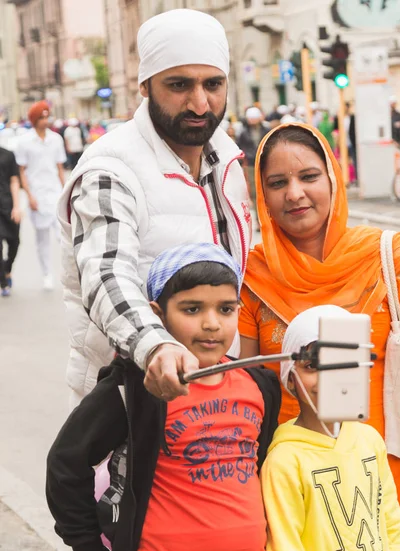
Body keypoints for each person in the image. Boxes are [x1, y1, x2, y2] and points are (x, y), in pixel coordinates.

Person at [238, 123, 400, 551]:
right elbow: (249, 393)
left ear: (334, 179)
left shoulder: (391, 259)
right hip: (297, 491)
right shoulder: (252, 278)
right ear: (261, 194)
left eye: (309, 176)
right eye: (277, 184)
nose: (295, 193)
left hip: (394, 480)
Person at [47, 243, 281, 551]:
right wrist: (88, 549)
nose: (211, 323)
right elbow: (67, 461)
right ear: (157, 314)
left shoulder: (259, 385)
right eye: (192, 309)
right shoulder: (139, 388)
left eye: (225, 308)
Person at [57, 9, 252, 407]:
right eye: (180, 85)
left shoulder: (227, 160)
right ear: (144, 86)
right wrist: (155, 346)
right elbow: (106, 274)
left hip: (220, 395)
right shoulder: (112, 169)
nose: (200, 103)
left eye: (213, 84)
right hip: (134, 400)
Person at [261, 304, 400, 551]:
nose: (328, 376)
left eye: (342, 362)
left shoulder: (370, 441)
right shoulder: (284, 461)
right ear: (289, 378)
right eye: (312, 365)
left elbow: (392, 530)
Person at [15, 100, 67, 290]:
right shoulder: (24, 142)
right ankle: (47, 273)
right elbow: (22, 171)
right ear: (34, 119)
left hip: (55, 193)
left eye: (47, 116)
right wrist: (29, 196)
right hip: (37, 194)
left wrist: (66, 191)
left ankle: (67, 273)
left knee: (63, 237)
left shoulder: (56, 139)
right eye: (42, 117)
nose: (46, 120)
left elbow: (60, 168)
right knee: (42, 239)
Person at [237, 106, 270, 203]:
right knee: (254, 188)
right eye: (251, 118)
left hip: (265, 162)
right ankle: (258, 212)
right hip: (251, 163)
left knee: (267, 186)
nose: (252, 120)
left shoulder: (266, 130)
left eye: (254, 117)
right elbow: (239, 147)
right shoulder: (243, 132)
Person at [0, 144, 21, 297]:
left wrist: (17, 206)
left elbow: (14, 181)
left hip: (8, 205)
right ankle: (3, 283)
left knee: (15, 242)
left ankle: (7, 270)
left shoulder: (8, 154)